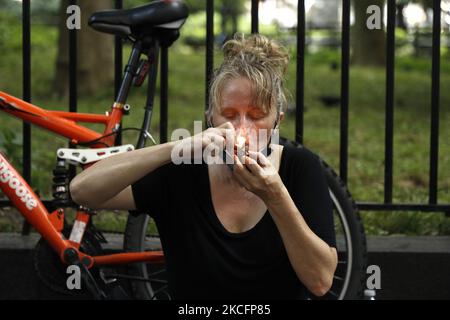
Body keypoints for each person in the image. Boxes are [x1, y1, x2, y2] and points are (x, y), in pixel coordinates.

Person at [70, 33, 337, 299]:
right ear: (210, 117)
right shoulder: (184, 169)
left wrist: (275, 195)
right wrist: (174, 148)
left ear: (277, 121)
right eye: (229, 115)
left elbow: (320, 281)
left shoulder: (299, 167)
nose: (242, 128)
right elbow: (82, 190)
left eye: (257, 116)